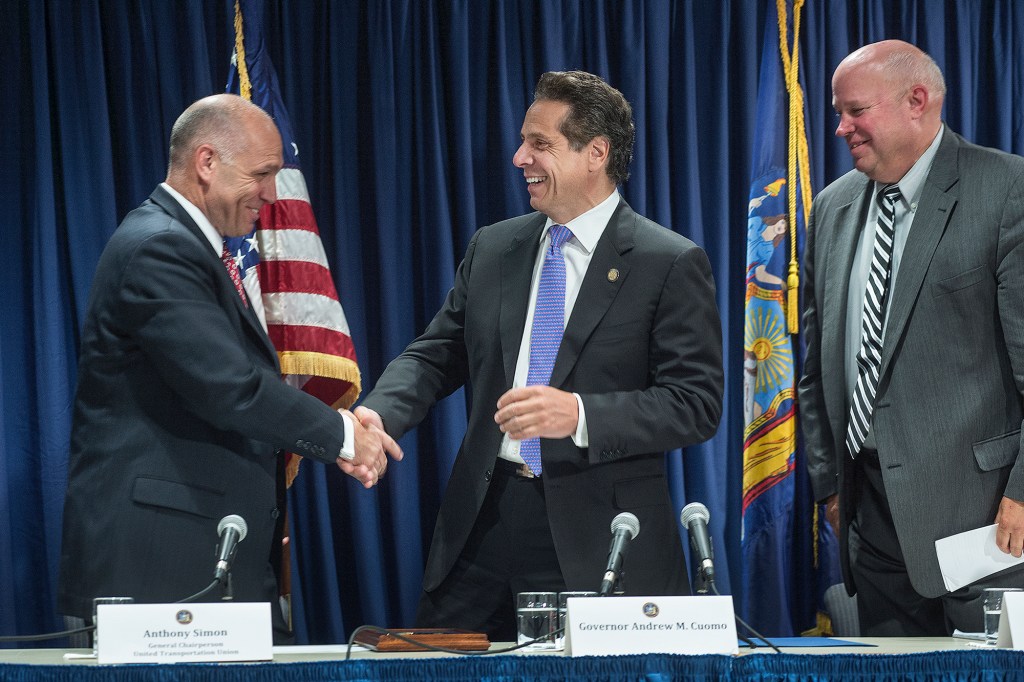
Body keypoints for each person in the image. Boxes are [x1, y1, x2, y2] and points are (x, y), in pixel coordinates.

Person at [356, 71, 723, 641]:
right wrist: (379, 413)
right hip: (482, 521)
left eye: (540, 144)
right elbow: (436, 353)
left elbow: (694, 404)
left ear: (595, 153)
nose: (519, 156)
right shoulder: (495, 247)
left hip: (598, 533)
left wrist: (579, 415)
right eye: (525, 140)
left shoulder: (667, 262)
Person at [58, 94, 402, 641]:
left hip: (208, 559)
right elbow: (230, 391)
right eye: (262, 174)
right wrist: (343, 434)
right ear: (207, 162)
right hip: (156, 570)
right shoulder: (159, 248)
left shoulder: (194, 248)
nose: (270, 194)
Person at [800, 40, 1024, 636]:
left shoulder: (1006, 191)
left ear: (917, 101)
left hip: (989, 523)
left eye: (855, 111)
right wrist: (829, 485)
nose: (841, 127)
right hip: (871, 520)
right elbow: (816, 365)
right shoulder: (832, 207)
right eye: (839, 112)